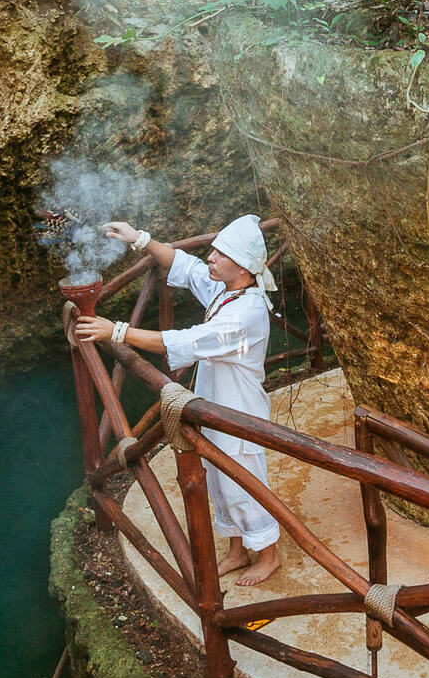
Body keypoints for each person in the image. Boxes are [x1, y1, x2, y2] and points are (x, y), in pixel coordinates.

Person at [74, 214, 283, 588]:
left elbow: (183, 341)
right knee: (219, 482)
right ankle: (237, 551)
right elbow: (184, 267)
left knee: (243, 483)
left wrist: (116, 330)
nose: (211, 257)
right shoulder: (228, 289)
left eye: (221, 253)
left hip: (239, 410)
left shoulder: (246, 313)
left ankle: (268, 556)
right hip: (215, 403)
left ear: (243, 267)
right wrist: (138, 239)